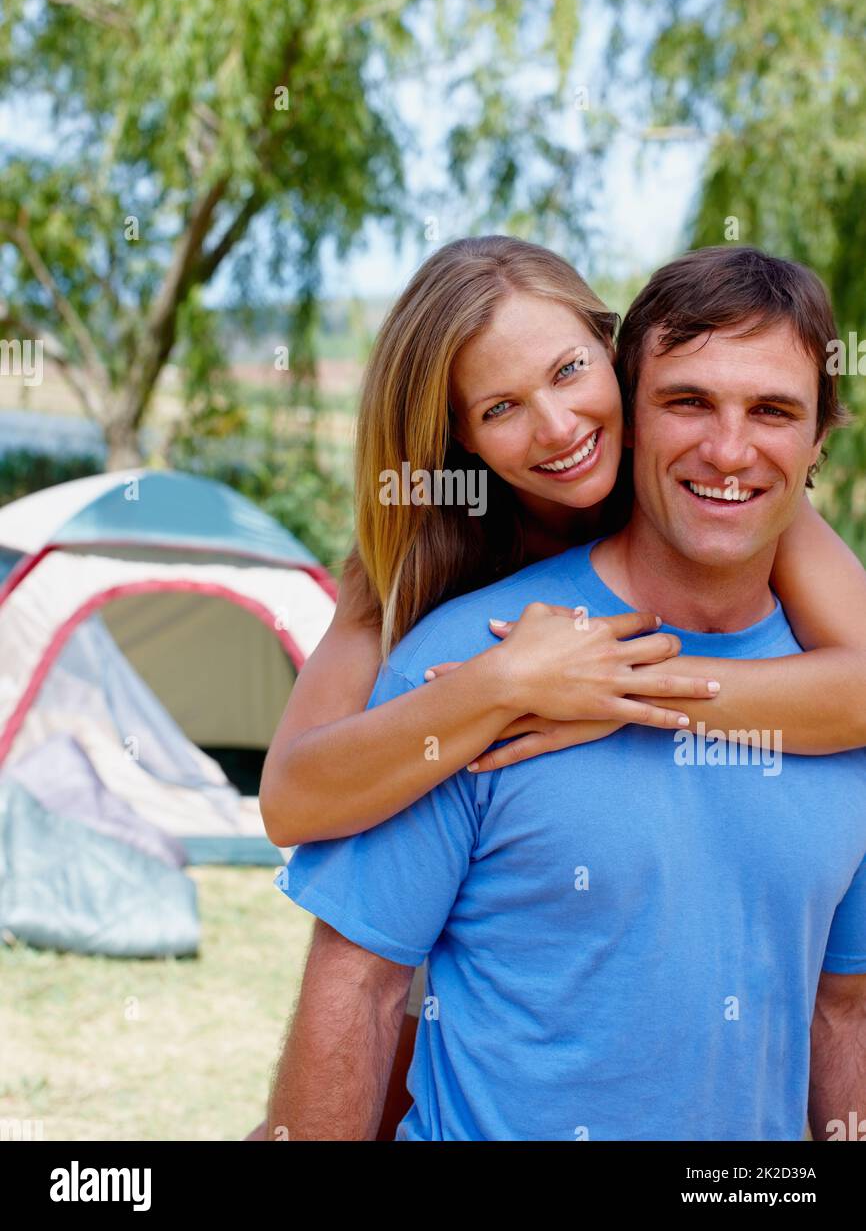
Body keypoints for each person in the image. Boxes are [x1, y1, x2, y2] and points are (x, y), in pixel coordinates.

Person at [257, 240, 866, 1140]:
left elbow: (842, 1005)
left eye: (569, 373)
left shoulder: (741, 480)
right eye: (501, 406)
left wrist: (619, 681)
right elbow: (296, 810)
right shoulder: (428, 600)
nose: (555, 427)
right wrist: (502, 683)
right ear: (458, 435)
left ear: (610, 361)